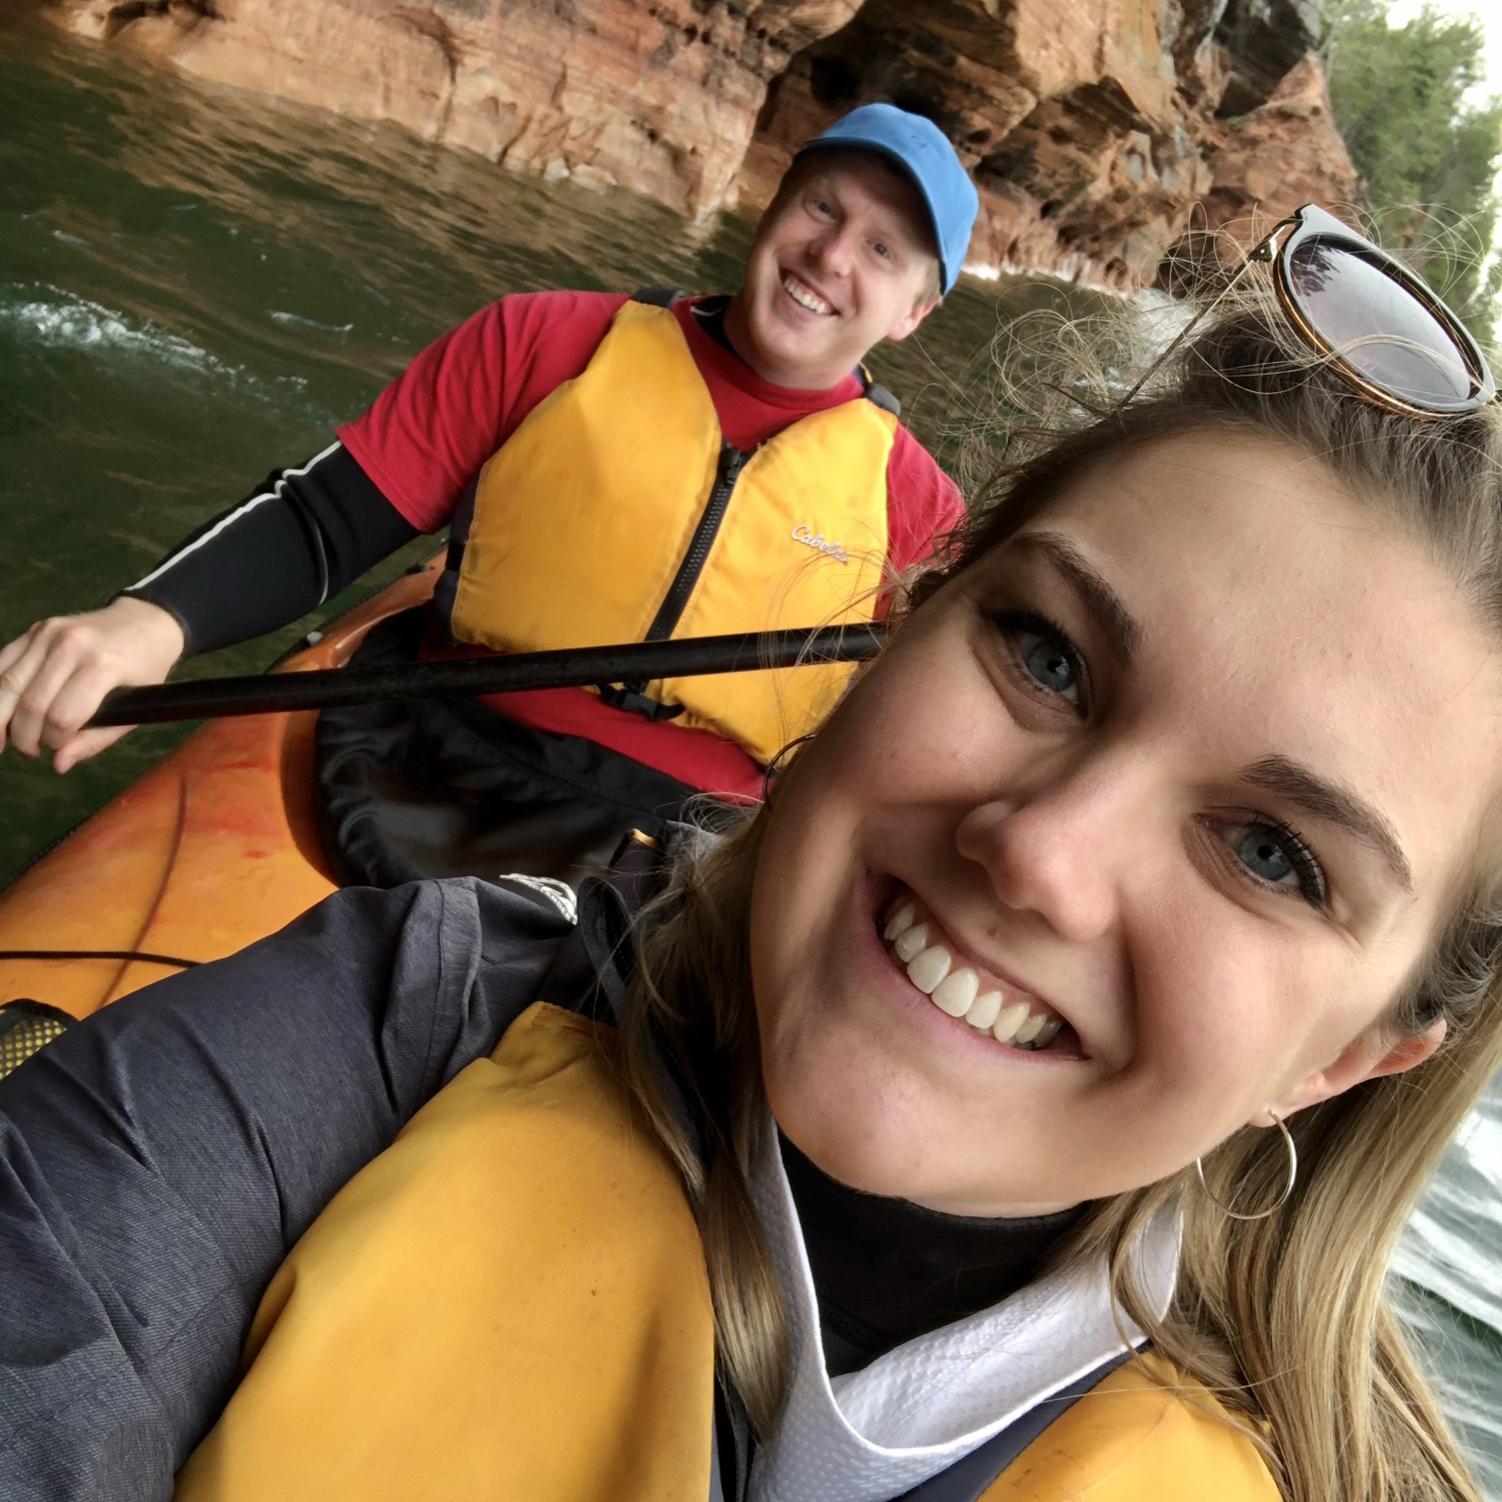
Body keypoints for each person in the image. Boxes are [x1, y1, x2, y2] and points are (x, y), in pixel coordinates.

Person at [3, 207, 1499, 1502]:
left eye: (1272, 853)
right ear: (911, 620)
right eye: (1044, 657)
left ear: (1358, 1052)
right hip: (414, 764)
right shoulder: (410, 1006)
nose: (1039, 856)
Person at [0, 102, 977, 887]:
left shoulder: (923, 517)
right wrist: (147, 623)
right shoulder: (544, 341)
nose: (832, 256)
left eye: (883, 250)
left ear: (915, 314)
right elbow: (323, 520)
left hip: (677, 865)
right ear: (771, 208)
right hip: (423, 760)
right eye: (819, 207)